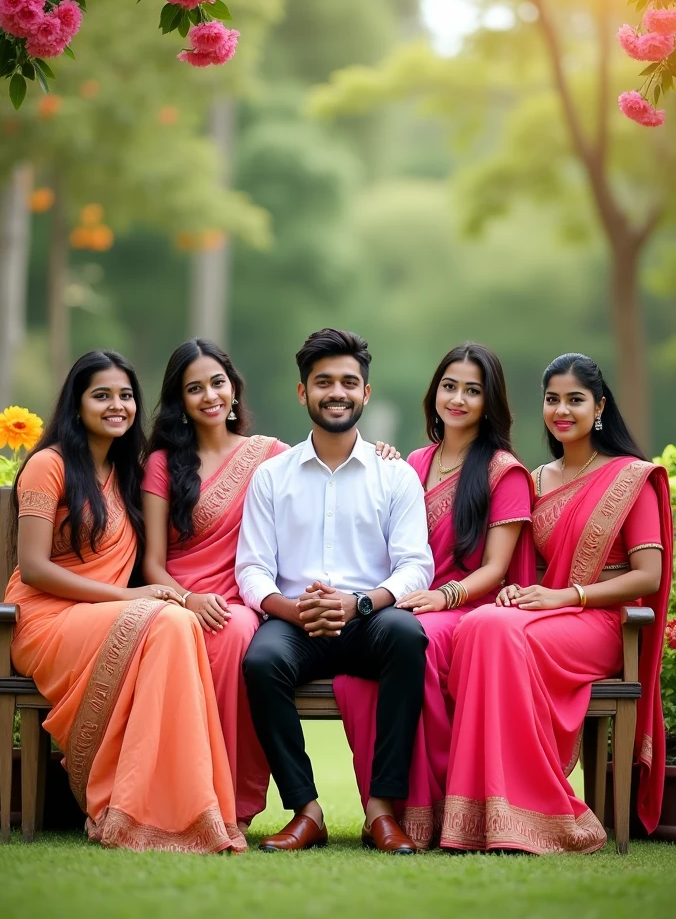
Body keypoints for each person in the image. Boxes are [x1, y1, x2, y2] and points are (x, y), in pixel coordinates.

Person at [5, 350, 245, 853]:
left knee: (177, 625)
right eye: (102, 395)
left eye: (126, 395)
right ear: (76, 406)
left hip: (111, 619)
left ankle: (186, 807)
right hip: (47, 620)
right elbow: (33, 568)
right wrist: (131, 595)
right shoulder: (49, 467)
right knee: (168, 621)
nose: (117, 405)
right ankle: (130, 804)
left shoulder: (129, 473)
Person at [441, 353, 672, 854]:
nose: (561, 410)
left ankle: (538, 808)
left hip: (602, 622)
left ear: (600, 406)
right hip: (546, 612)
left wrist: (568, 596)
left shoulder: (630, 477)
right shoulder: (537, 478)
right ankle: (484, 811)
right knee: (482, 624)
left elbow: (648, 575)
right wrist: (512, 592)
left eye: (574, 400)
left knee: (496, 632)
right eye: (552, 399)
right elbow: (531, 571)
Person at [237, 328, 434, 853]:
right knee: (261, 661)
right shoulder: (271, 477)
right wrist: (295, 612)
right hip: (295, 622)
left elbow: (417, 567)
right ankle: (307, 810)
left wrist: (359, 603)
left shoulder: (394, 477)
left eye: (349, 382)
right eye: (323, 382)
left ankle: (382, 812)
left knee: (406, 637)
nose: (337, 392)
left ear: (365, 393)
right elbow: (253, 570)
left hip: (368, 618)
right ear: (303, 392)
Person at [334, 343, 536, 849]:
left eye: (473, 390)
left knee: (410, 641)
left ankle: (433, 811)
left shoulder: (502, 472)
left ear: (490, 402)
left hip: (464, 608)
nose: (458, 399)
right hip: (405, 600)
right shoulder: (411, 463)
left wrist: (444, 597)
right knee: (353, 675)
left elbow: (495, 568)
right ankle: (383, 811)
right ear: (434, 393)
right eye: (450, 386)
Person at [142, 338, 287, 827]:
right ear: (179, 401)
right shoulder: (163, 464)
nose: (209, 396)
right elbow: (153, 563)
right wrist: (186, 598)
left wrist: (383, 453)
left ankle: (233, 804)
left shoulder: (270, 455)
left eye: (217, 383)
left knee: (236, 632)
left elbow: (330, 468)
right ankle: (175, 795)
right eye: (194, 388)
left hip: (240, 599)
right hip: (176, 597)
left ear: (234, 387)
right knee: (191, 630)